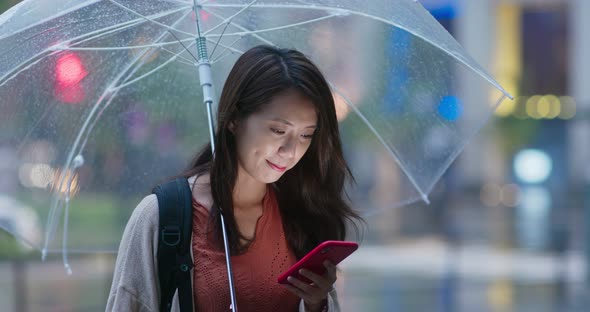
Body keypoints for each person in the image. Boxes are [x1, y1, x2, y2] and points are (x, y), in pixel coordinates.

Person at [106, 45, 362, 312]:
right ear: (234, 120)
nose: (290, 151)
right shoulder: (160, 217)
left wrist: (316, 303)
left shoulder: (300, 212)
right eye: (278, 130)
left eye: (306, 135)